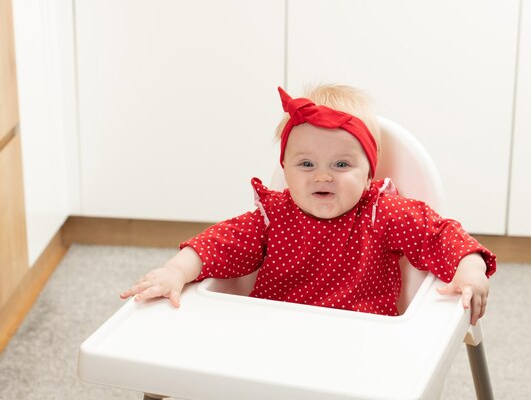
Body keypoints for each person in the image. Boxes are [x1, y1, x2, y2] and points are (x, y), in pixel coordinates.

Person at [121, 84, 496, 325]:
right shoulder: (273, 218)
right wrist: (175, 271)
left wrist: (469, 270)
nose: (322, 176)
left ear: (369, 171)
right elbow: (218, 245)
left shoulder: (384, 213)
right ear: (285, 168)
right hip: (277, 333)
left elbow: (442, 235)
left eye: (341, 165)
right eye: (306, 164)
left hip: (362, 340)